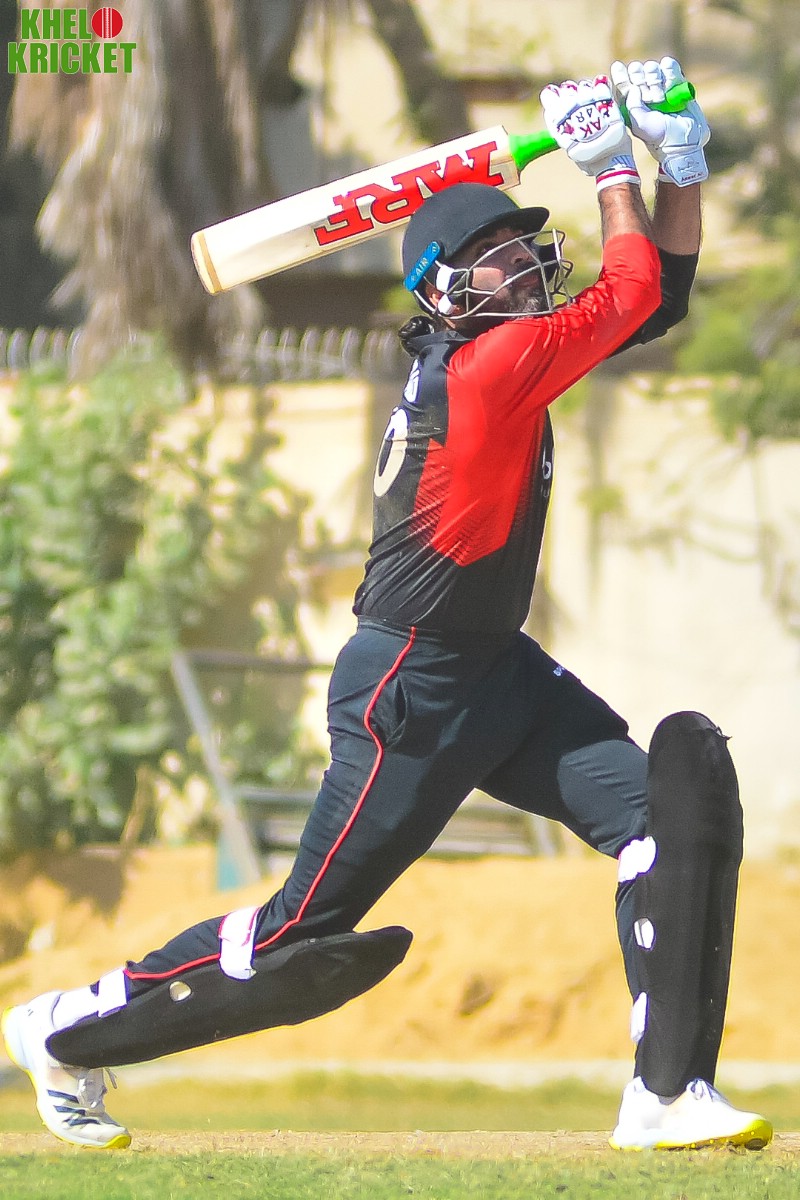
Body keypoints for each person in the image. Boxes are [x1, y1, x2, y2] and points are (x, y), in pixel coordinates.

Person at [3, 58, 772, 1153]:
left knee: (658, 822)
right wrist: (614, 163)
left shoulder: (510, 354)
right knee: (296, 935)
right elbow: (635, 289)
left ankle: (664, 1094)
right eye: (497, 253)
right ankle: (63, 1030)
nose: (524, 262)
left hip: (497, 672)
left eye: (527, 245)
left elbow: (659, 294)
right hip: (408, 691)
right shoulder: (482, 371)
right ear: (443, 291)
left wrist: (674, 160)